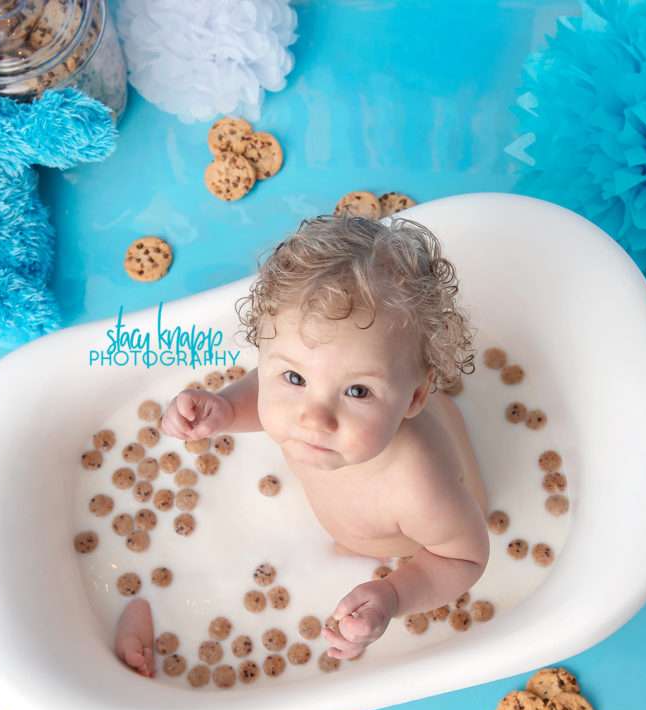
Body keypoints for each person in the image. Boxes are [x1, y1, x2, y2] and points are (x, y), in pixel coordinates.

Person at [115, 214, 489, 677]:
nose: (314, 418)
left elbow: (463, 557)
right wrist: (225, 409)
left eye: (357, 391)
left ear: (415, 397)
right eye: (294, 378)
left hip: (422, 538)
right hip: (359, 523)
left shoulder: (418, 486)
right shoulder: (325, 425)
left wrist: (395, 593)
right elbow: (263, 386)